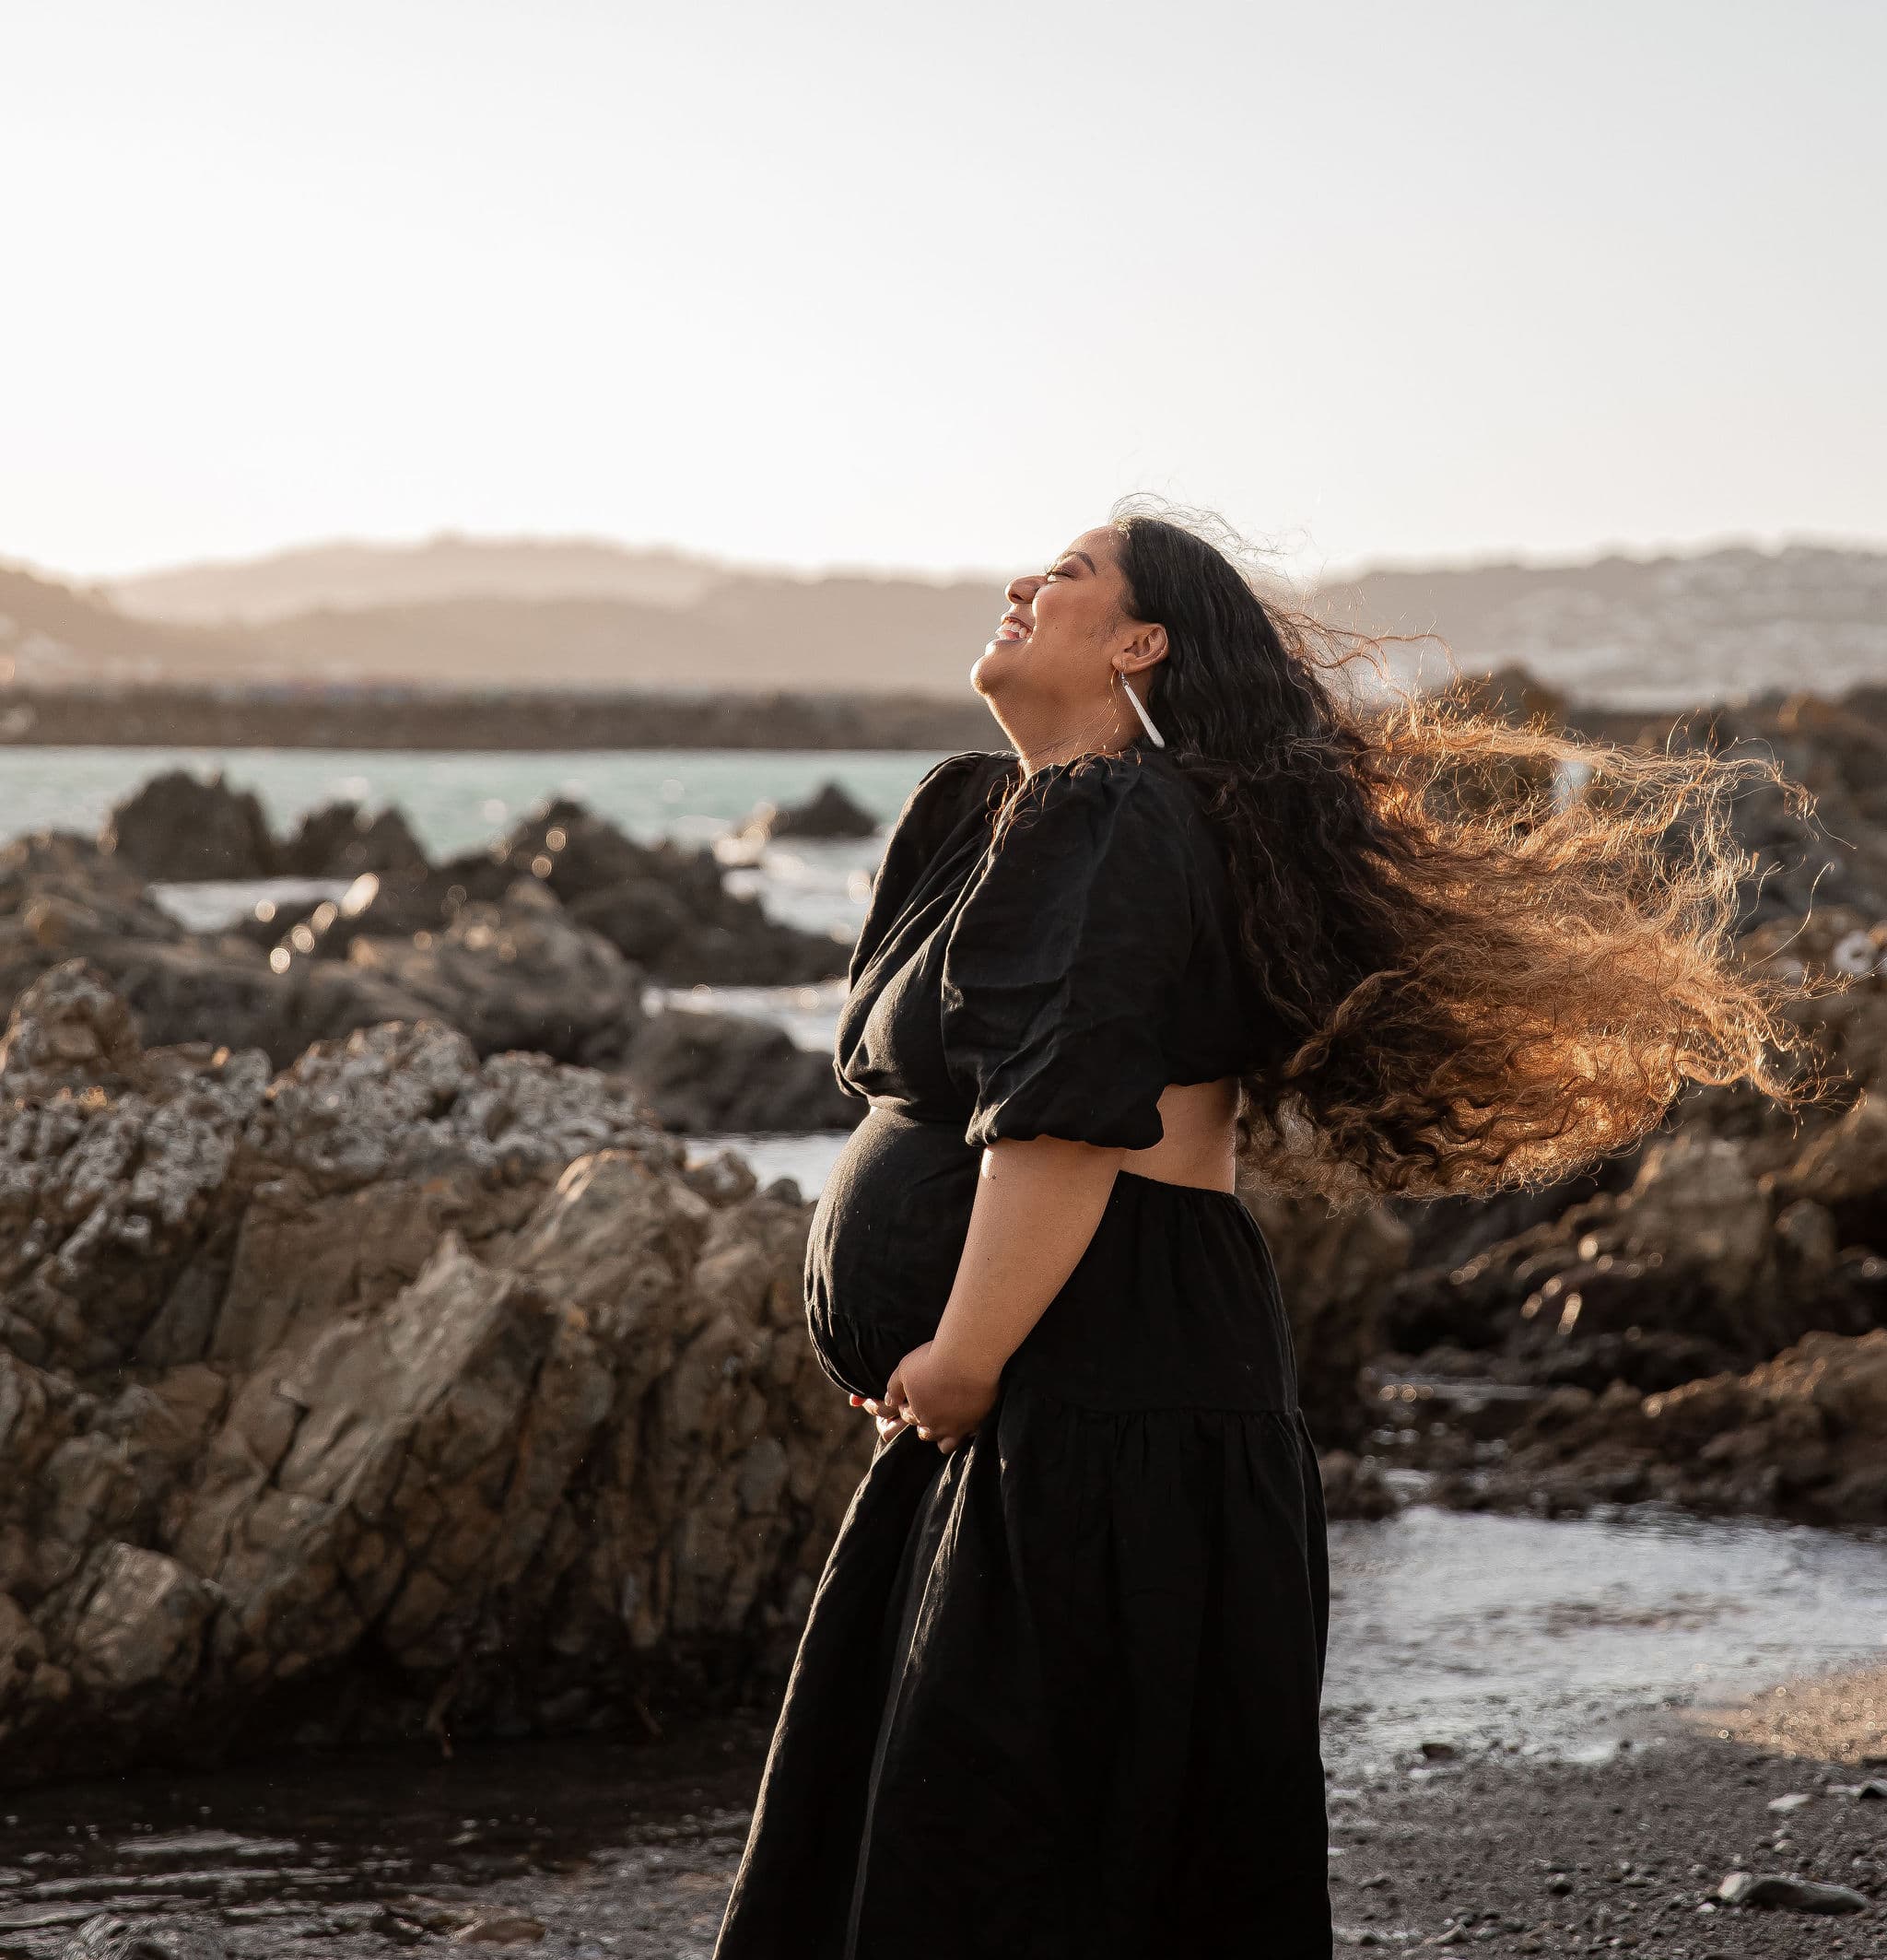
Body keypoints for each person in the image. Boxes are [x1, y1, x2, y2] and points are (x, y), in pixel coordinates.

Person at [713, 505, 1792, 1960]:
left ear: (1143, 642)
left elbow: (1060, 1122)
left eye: (1074, 573)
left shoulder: (1123, 815)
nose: (1026, 582)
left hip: (1099, 1370)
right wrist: (929, 1335)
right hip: (1048, 1367)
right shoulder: (998, 813)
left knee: (1018, 1838)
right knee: (947, 1819)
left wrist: (963, 1349)